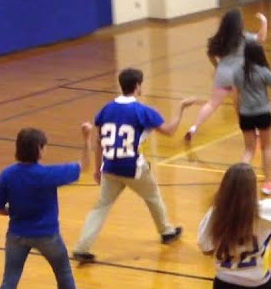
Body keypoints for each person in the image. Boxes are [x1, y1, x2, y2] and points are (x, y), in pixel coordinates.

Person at [0, 126, 101, 289]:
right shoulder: (47, 175)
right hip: (47, 235)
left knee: (9, 280)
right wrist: (86, 139)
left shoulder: (7, 174)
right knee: (63, 271)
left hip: (16, 236)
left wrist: (15, 212)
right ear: (39, 150)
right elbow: (84, 167)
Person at [71, 68, 197, 263]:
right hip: (133, 168)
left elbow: (98, 142)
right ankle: (166, 232)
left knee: (101, 207)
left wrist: (98, 169)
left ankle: (81, 248)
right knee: (153, 195)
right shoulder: (142, 111)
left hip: (110, 167)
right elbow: (170, 131)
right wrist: (181, 108)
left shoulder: (106, 109)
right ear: (138, 86)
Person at [186, 9, 267, 142]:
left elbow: (210, 54)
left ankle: (194, 127)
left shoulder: (218, 39)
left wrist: (217, 66)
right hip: (238, 75)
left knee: (212, 104)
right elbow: (261, 38)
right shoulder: (243, 38)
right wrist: (264, 21)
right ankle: (251, 131)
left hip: (223, 74)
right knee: (241, 105)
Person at [235, 41, 271, 196]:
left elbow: (236, 96)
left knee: (248, 149)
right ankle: (267, 182)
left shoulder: (238, 72)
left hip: (245, 114)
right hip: (262, 113)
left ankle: (239, 182)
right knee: (266, 147)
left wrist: (238, 114)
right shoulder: (263, 72)